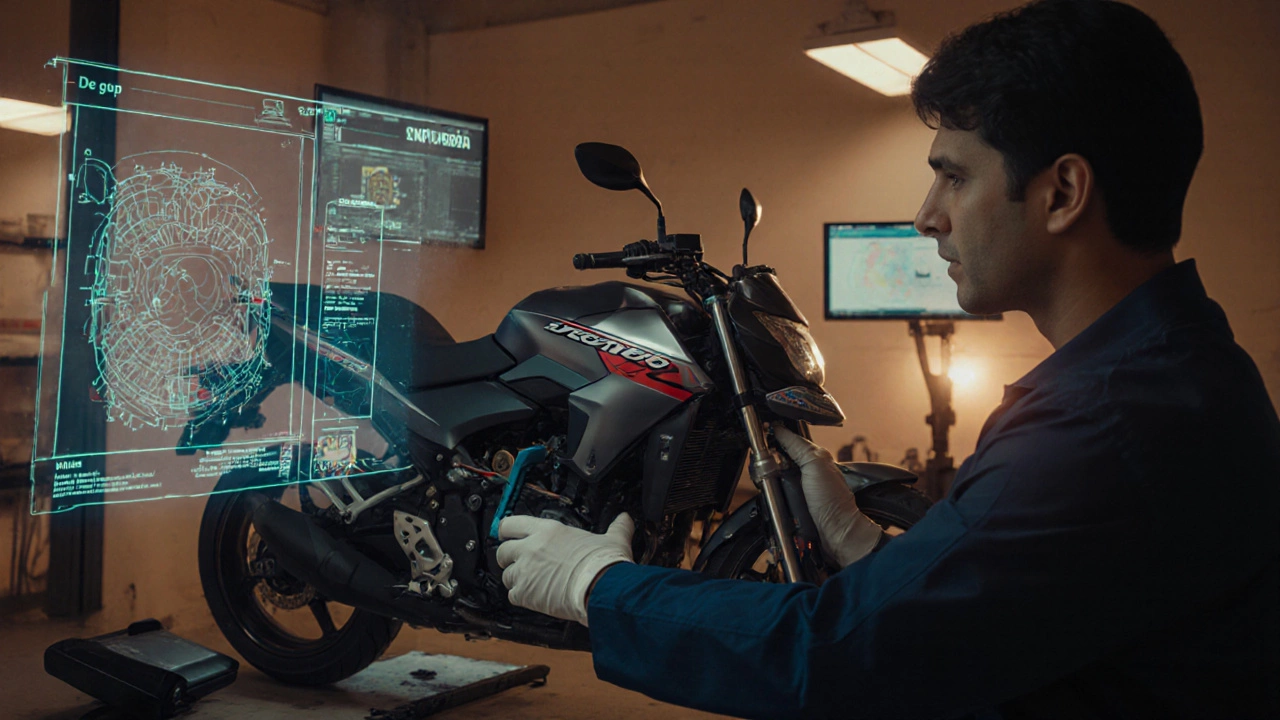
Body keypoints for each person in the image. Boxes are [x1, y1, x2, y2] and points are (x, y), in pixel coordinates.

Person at [495, 0, 1280, 717]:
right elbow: (1017, 620)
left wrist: (595, 582)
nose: (926, 217)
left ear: (1063, 192)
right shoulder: (1185, 371)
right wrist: (866, 546)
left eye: (955, 177)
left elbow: (834, 655)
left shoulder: (1101, 426)